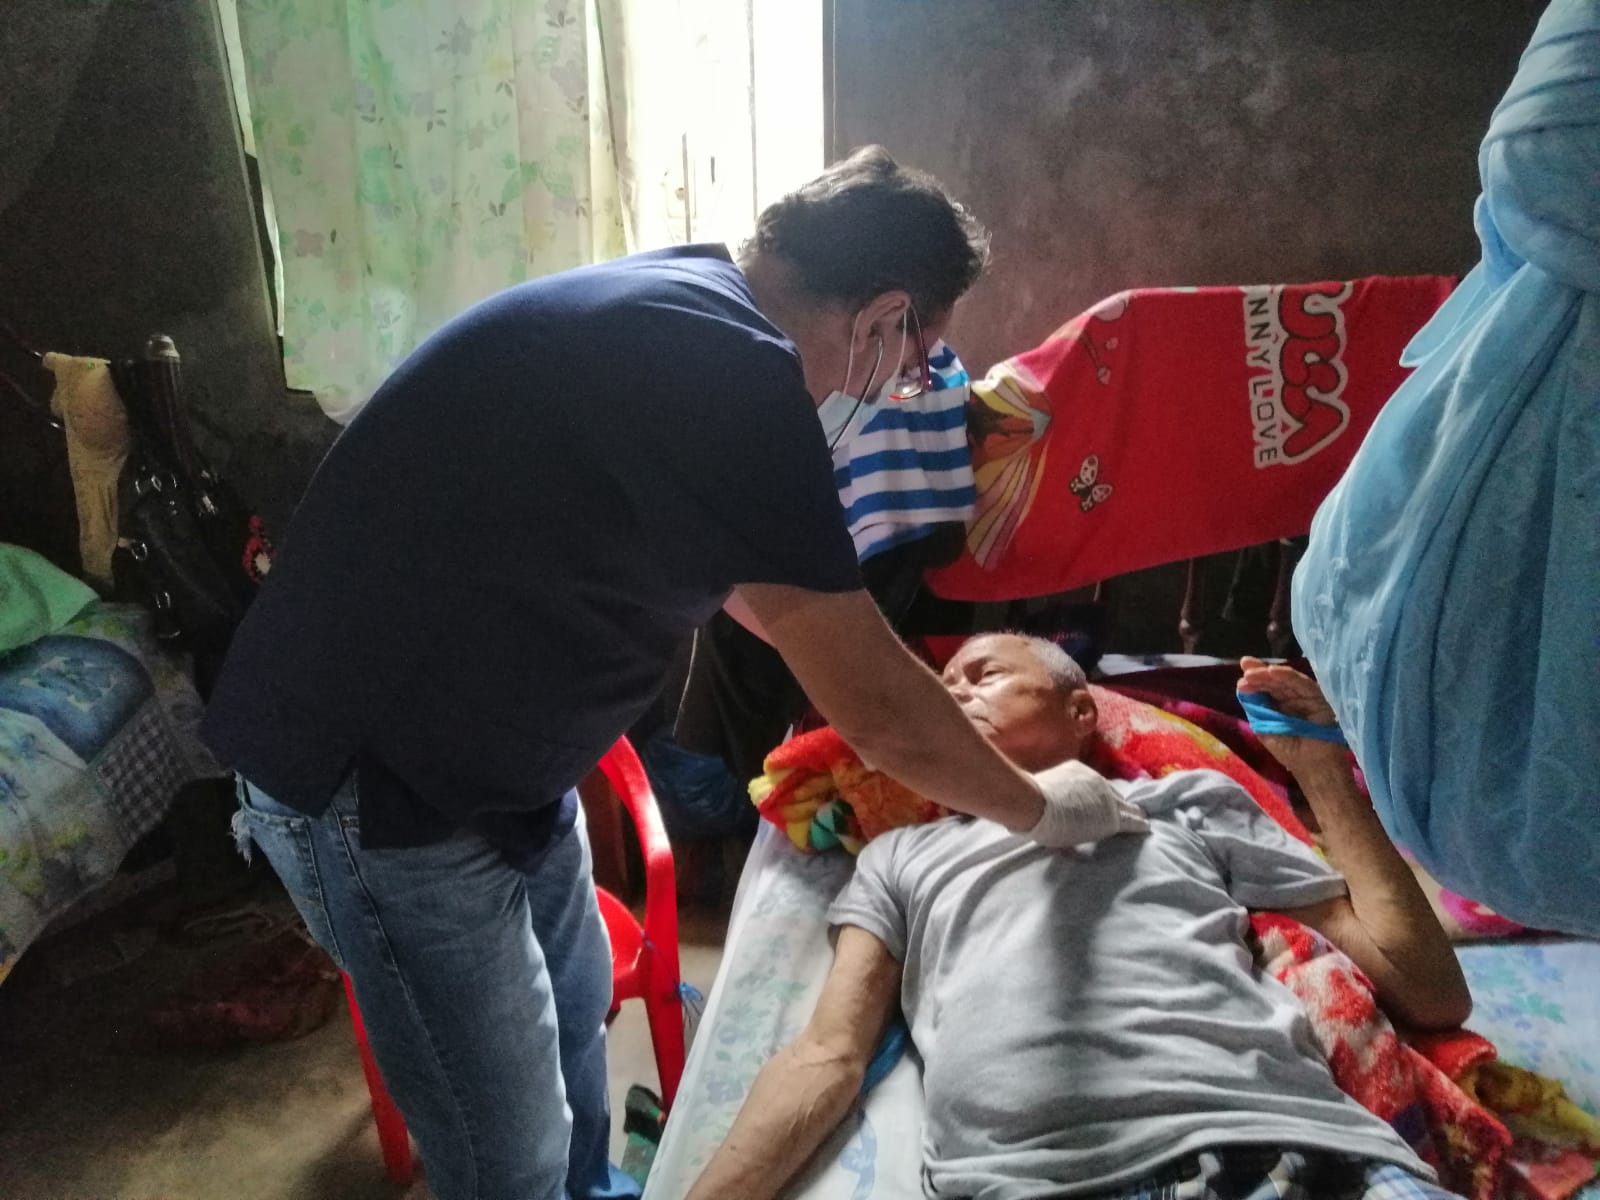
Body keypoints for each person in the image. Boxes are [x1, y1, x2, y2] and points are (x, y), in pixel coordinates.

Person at [201, 149, 1144, 1200]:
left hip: (495, 761)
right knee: (502, 1145)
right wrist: (1038, 809)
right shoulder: (731, 373)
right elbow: (877, 707)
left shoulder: (692, 305)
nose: (897, 386)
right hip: (379, 782)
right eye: (916, 360)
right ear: (882, 316)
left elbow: (763, 598)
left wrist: (886, 695)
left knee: (574, 1027)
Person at [687, 634, 1472, 1200]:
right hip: (1041, 1177)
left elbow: (1429, 991)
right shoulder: (902, 856)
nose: (953, 695)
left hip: (1302, 1144)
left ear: (1080, 712)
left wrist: (1323, 767)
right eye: (941, 685)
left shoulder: (1182, 804)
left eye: (985, 674)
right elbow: (826, 1055)